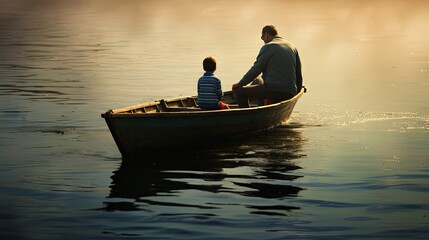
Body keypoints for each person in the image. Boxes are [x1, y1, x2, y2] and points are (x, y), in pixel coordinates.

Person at [232, 25, 303, 108]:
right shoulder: (291, 46)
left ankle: (246, 115)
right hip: (290, 92)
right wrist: (296, 93)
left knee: (239, 92)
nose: (264, 41)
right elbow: (298, 72)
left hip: (273, 90)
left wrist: (240, 84)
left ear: (266, 34)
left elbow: (255, 70)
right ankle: (261, 106)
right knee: (258, 80)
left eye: (263, 39)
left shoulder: (268, 47)